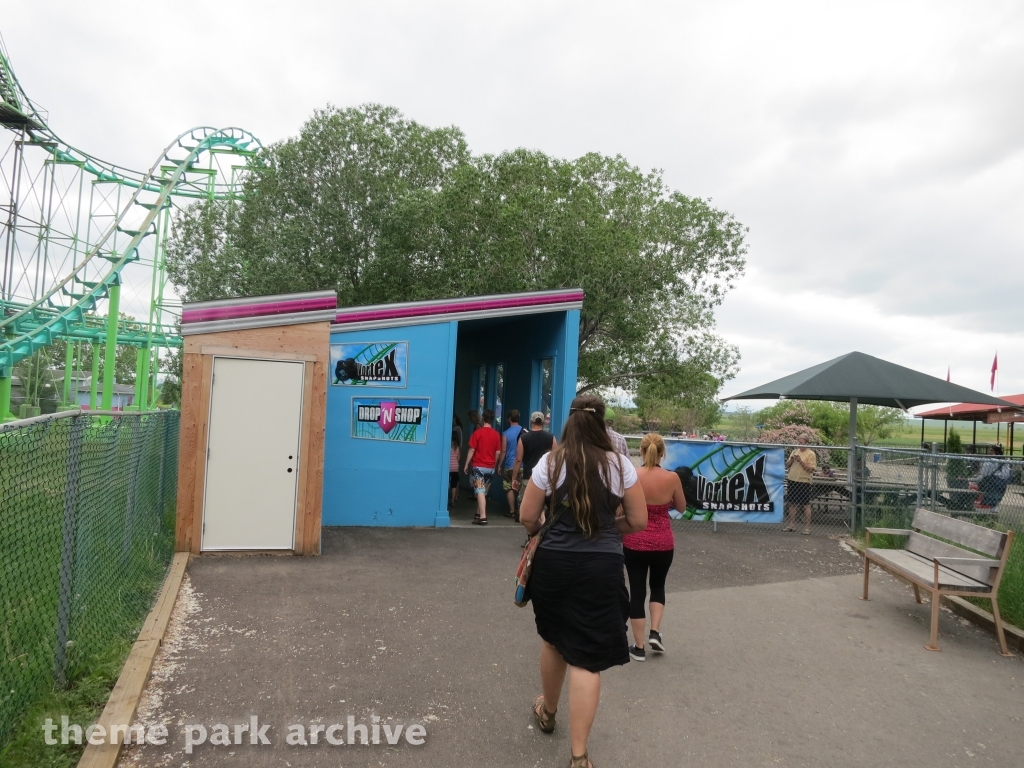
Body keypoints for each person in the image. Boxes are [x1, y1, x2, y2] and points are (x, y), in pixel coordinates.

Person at [519, 395, 648, 768]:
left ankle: (548, 711)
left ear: (570, 422)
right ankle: (579, 756)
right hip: (602, 566)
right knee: (587, 661)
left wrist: (547, 530)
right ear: (602, 422)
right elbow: (637, 521)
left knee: (554, 640)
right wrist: (605, 527)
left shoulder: (550, 462)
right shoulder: (620, 464)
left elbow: (528, 517)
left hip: (554, 564)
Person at [621, 433, 684, 662]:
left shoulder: (633, 476)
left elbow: (622, 507)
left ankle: (638, 647)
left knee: (637, 590)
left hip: (634, 540)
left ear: (642, 449)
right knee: (658, 587)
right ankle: (655, 632)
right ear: (662, 452)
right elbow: (682, 507)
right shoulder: (672, 478)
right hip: (663, 542)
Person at [464, 409, 501, 525]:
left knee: (479, 491)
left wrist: (466, 463)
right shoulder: (496, 435)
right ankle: (478, 513)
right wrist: (494, 464)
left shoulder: (477, 433)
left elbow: (472, 449)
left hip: (478, 466)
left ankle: (483, 517)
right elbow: (498, 452)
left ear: (483, 419)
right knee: (483, 492)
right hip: (490, 467)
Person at [512, 411, 557, 501]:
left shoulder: (523, 438)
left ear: (531, 422)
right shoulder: (551, 438)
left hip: (528, 477)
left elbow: (518, 460)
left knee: (526, 504)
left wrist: (514, 478)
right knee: (543, 506)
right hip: (545, 478)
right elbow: (556, 458)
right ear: (543, 423)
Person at [784, 439, 817, 534]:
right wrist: (792, 460)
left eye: (802, 442)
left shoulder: (811, 454)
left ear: (807, 443)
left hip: (804, 481)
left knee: (805, 504)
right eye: (799, 442)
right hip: (792, 480)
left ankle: (807, 528)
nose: (800, 444)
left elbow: (811, 469)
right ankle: (791, 525)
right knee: (792, 503)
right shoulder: (794, 451)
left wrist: (800, 461)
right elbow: (787, 465)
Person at [499, 410, 524, 519]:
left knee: (509, 487)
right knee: (521, 488)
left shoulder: (506, 433)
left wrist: (499, 464)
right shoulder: (524, 431)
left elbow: (503, 450)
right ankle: (521, 511)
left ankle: (512, 511)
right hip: (523, 465)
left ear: (509, 419)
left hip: (510, 464)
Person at [449, 433, 461, 505]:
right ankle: (453, 500)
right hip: (455, 468)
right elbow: (458, 458)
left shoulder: (449, 447)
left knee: (447, 484)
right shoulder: (457, 448)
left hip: (449, 468)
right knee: (454, 485)